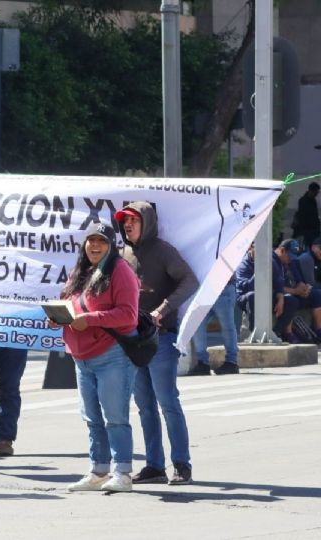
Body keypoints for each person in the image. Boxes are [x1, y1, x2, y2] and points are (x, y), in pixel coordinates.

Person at [49, 223, 140, 493]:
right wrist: (59, 318)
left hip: (112, 355)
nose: (95, 246)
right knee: (91, 418)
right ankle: (99, 470)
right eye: (90, 241)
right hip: (81, 358)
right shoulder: (81, 271)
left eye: (101, 241)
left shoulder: (121, 271)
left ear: (111, 245)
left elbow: (128, 315)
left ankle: (122, 472)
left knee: (115, 416)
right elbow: (70, 303)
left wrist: (89, 320)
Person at [115, 202, 198, 486]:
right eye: (124, 220)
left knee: (167, 403)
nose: (127, 225)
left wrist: (163, 309)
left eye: (133, 220)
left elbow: (190, 281)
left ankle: (182, 465)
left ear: (147, 222)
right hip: (132, 341)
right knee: (144, 406)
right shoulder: (122, 254)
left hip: (161, 339)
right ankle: (154, 465)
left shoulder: (164, 251)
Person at [187, 278, 240, 376]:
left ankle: (232, 362)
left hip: (223, 286)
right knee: (197, 324)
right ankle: (202, 362)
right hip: (203, 289)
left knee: (227, 327)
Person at [274, 238, 321, 339]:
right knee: (291, 299)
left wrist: (304, 288)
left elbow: (299, 280)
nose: (290, 259)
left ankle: (318, 329)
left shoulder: (292, 262)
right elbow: (275, 287)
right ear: (282, 251)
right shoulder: (273, 261)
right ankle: (288, 333)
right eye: (289, 256)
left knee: (317, 294)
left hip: (294, 292)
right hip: (280, 295)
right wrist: (296, 291)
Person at [292, 182, 320, 246]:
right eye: (316, 192)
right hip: (307, 230)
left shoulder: (313, 200)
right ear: (311, 191)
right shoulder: (303, 201)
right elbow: (303, 216)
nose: (317, 194)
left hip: (313, 229)